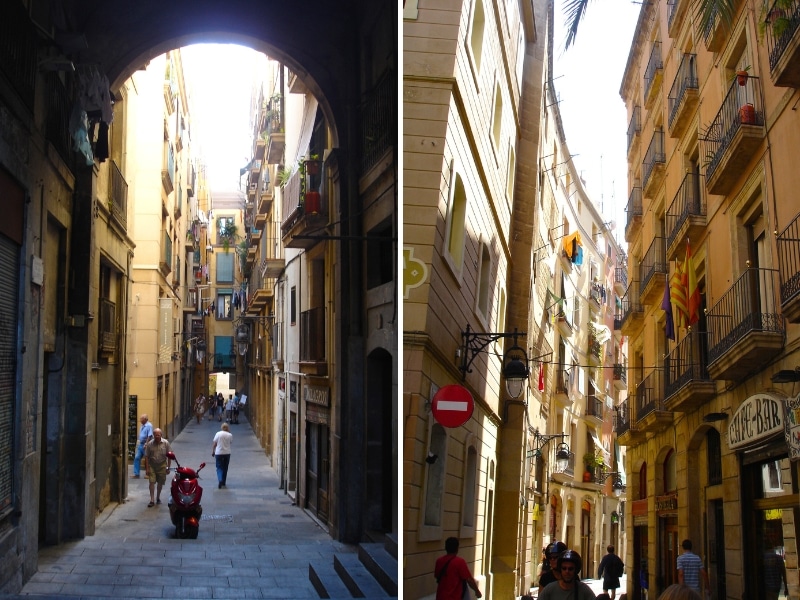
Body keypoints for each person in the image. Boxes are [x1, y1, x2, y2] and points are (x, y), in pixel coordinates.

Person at [143, 428, 171, 506]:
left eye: (158, 435)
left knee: (160, 483)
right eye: (155, 435)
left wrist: (168, 467)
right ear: (154, 435)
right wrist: (147, 468)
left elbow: (169, 456)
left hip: (162, 465)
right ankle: (152, 499)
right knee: (151, 482)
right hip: (152, 465)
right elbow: (146, 457)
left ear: (161, 435)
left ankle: (158, 497)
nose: (157, 436)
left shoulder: (166, 443)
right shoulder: (150, 444)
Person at [212, 422, 233, 489]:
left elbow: (215, 443)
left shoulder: (218, 434)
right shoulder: (230, 435)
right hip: (227, 453)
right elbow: (230, 442)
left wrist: (213, 451)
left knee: (219, 467)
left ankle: (220, 480)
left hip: (218, 453)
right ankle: (223, 482)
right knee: (225, 468)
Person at [131, 414, 153, 478]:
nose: (140, 420)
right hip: (140, 444)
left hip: (146, 445)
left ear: (145, 419)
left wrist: (146, 444)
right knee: (137, 458)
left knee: (147, 459)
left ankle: (148, 473)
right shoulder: (142, 425)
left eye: (141, 419)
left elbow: (150, 435)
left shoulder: (149, 426)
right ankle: (136, 473)